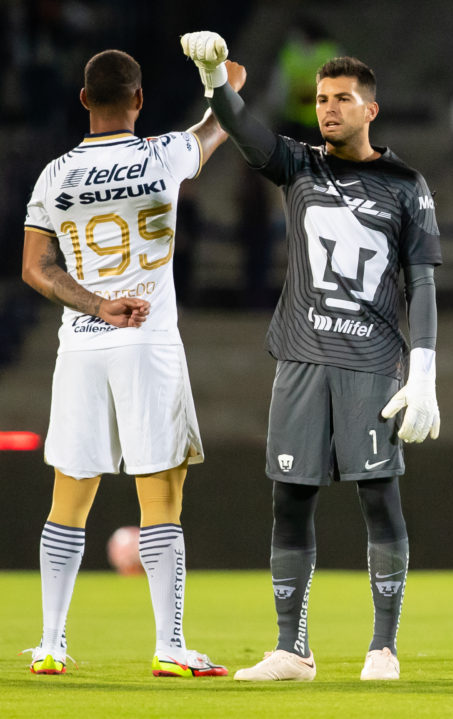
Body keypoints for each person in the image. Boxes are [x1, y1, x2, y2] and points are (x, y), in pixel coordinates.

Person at [181, 31, 442, 682]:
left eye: (343, 98)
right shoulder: (298, 164)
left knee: (379, 497)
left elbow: (425, 282)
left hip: (371, 360)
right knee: (289, 499)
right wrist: (216, 79)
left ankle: (383, 646)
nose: (329, 108)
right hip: (300, 357)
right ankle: (291, 648)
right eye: (323, 98)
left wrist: (426, 371)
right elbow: (246, 133)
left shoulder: (407, 183)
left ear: (370, 109)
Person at [20, 48, 243, 676]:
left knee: (70, 494)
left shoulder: (54, 174)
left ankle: (51, 644)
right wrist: (215, 69)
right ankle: (169, 646)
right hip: (149, 341)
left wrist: (95, 303)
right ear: (139, 100)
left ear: (84, 100)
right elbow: (230, 107)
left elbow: (35, 269)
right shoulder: (164, 154)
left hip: (82, 344)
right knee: (162, 495)